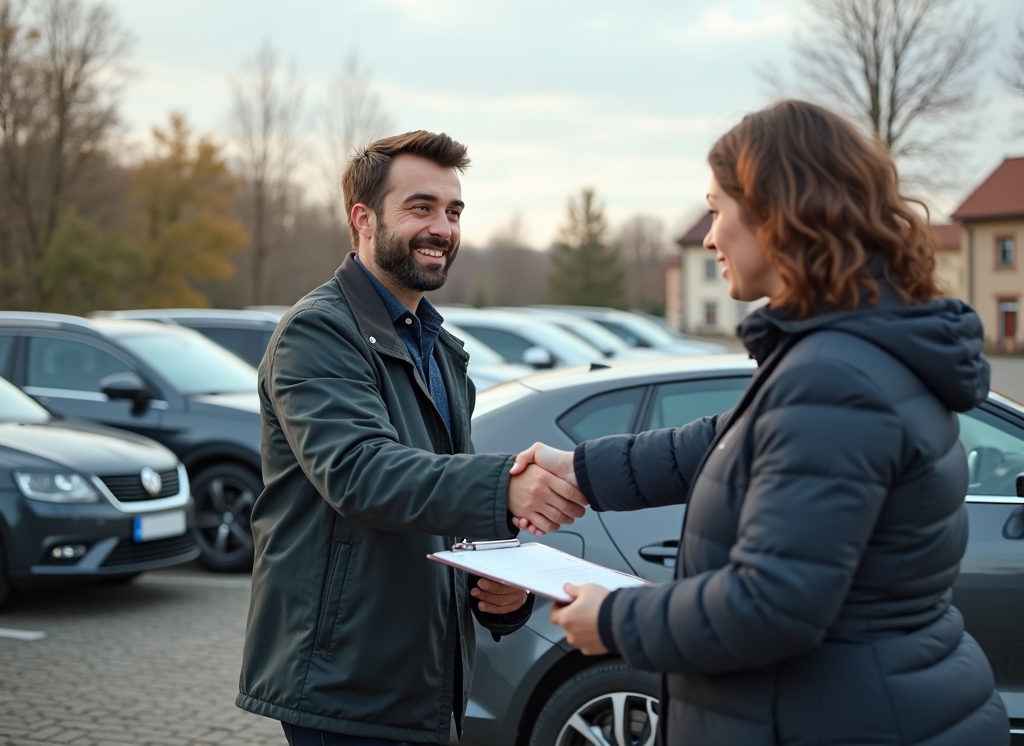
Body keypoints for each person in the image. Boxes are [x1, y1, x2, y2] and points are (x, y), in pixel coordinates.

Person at [511, 100, 1009, 745]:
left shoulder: (838, 377)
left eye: (718, 209)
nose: (710, 236)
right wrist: (580, 470)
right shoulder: (844, 351)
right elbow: (726, 442)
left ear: (780, 214)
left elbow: (772, 606)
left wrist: (614, 619)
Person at [236, 130, 588, 746]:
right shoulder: (317, 333)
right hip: (343, 680)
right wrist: (507, 486)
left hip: (426, 679)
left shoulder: (439, 350)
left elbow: (442, 506)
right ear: (363, 219)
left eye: (453, 212)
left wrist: (496, 592)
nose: (443, 228)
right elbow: (360, 472)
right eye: (421, 207)